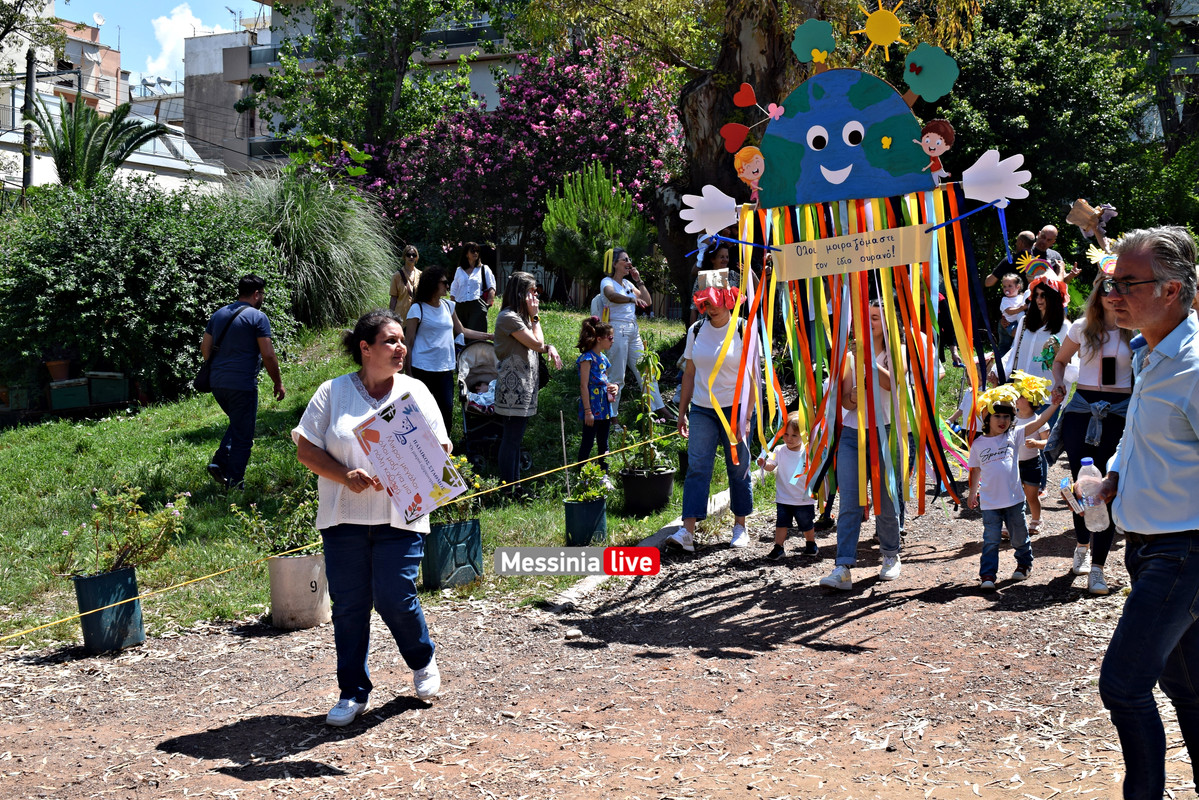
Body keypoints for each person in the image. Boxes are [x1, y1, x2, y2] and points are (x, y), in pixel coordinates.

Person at [291, 310, 449, 727]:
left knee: (395, 596)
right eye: (391, 341)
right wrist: (345, 475)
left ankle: (421, 659)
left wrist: (410, 464)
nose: (401, 348)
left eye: (402, 341)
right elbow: (306, 450)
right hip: (344, 519)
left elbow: (441, 448)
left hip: (401, 518)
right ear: (365, 348)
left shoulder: (415, 392)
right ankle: (352, 692)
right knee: (349, 607)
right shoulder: (332, 392)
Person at [1091, 226, 1199, 800]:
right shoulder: (1151, 354)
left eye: (1127, 283)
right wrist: (1115, 478)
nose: (1111, 294)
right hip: (1153, 548)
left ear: (1172, 291)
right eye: (1111, 281)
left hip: (1182, 553)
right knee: (1189, 691)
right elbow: (1152, 440)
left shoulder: (1195, 366)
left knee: (1124, 687)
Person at [1050, 276, 1133, 595]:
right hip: (1082, 410)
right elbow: (1059, 362)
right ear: (1097, 295)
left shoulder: (1137, 329)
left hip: (1119, 414)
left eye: (1121, 290)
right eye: (1107, 290)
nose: (1114, 296)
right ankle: (1082, 547)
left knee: (1109, 487)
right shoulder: (1081, 327)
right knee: (1082, 485)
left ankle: (1097, 568)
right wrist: (1058, 383)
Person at [819, 301, 903, 590]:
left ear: (887, 323)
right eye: (867, 318)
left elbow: (894, 385)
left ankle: (891, 556)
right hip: (853, 436)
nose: (871, 322)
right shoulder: (848, 355)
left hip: (884, 432)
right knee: (850, 504)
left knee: (885, 501)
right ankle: (843, 566)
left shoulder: (896, 352)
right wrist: (853, 397)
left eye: (877, 317)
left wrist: (869, 360)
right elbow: (844, 400)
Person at [666, 284, 757, 552]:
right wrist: (682, 413)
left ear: (729, 300)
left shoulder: (743, 328)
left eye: (716, 301)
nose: (711, 307)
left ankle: (740, 526)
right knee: (697, 468)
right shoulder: (696, 330)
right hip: (702, 409)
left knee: (738, 468)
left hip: (735, 409)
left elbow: (754, 378)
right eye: (706, 302)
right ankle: (688, 531)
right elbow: (690, 374)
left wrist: (747, 416)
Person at [966, 385, 1061, 590]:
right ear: (987, 418)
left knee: (1019, 535)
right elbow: (975, 470)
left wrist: (1054, 405)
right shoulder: (979, 444)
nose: (1003, 421)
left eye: (1007, 416)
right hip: (990, 503)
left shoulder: (1013, 435)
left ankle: (1024, 563)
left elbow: (1039, 421)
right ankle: (988, 575)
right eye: (997, 416)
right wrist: (973, 493)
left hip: (1015, 500)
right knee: (991, 540)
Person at [202, 274, 285, 491]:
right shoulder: (258, 317)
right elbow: (268, 354)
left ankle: (219, 462)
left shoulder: (219, 314)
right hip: (242, 385)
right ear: (257, 294)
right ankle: (234, 482)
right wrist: (277, 382)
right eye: (262, 294)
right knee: (244, 435)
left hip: (218, 383)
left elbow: (205, 349)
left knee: (239, 424)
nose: (262, 298)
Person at [494, 272, 561, 497]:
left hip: (525, 386)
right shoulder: (509, 317)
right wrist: (535, 317)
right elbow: (536, 342)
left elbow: (541, 346)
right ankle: (508, 489)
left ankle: (516, 487)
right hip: (513, 388)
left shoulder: (520, 318)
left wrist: (549, 347)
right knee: (511, 439)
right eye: (533, 292)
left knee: (516, 438)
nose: (536, 297)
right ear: (521, 293)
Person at [404, 266, 492, 432]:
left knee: (446, 411)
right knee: (421, 413)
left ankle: (445, 450)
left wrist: (489, 336)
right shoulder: (417, 309)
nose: (448, 286)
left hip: (445, 368)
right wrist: (408, 372)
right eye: (444, 282)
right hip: (422, 368)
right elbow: (408, 342)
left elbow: (463, 331)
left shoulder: (448, 306)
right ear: (432, 284)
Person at [602, 248, 667, 420]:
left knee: (647, 370)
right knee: (617, 376)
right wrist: (631, 299)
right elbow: (611, 295)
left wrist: (639, 281)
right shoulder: (607, 282)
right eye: (625, 259)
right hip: (617, 330)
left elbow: (647, 301)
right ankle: (612, 416)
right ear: (614, 264)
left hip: (633, 331)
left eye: (629, 259)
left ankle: (658, 408)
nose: (629, 262)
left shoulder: (629, 285)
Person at [757, 411, 819, 560]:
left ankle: (811, 543)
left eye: (794, 435)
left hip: (803, 499)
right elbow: (771, 465)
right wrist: (764, 464)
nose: (789, 439)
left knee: (806, 524)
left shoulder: (808, 452)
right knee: (781, 524)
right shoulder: (779, 450)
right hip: (783, 498)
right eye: (786, 434)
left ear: (803, 435)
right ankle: (778, 547)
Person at [1009, 372, 1051, 534]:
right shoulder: (1011, 418)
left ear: (1031, 400)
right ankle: (1012, 523)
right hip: (1013, 464)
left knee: (1032, 497)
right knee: (1014, 496)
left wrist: (1036, 444)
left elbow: (1047, 443)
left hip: (1032, 464)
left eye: (1021, 396)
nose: (1016, 399)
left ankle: (1036, 519)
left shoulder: (1039, 420)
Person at [576, 316, 618, 467]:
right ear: (599, 339)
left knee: (603, 443)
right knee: (587, 442)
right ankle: (581, 475)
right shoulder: (587, 358)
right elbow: (584, 385)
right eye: (610, 337)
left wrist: (614, 387)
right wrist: (588, 411)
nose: (612, 341)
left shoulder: (604, 359)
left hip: (605, 407)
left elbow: (605, 381)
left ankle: (604, 475)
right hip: (592, 408)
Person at [449, 242, 496, 334]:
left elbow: (492, 287)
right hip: (460, 306)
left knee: (477, 334)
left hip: (477, 305)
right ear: (466, 254)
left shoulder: (484, 269)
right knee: (460, 335)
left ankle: (476, 348)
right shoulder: (459, 270)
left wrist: (487, 304)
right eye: (473, 251)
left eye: (477, 251)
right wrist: (453, 304)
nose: (475, 253)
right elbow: (454, 288)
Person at [996, 273, 1026, 360]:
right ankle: (1001, 362)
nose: (1006, 289)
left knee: (1011, 344)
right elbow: (1009, 311)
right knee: (1004, 345)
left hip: (1016, 322)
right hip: (1008, 323)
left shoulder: (1021, 297)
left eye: (1010, 286)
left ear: (1018, 287)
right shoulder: (1005, 300)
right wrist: (1021, 308)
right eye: (1004, 286)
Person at [388, 245, 421, 319]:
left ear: (417, 257)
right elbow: (393, 298)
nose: (411, 257)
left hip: (417, 316)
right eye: (408, 255)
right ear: (404, 257)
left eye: (414, 255)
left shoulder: (421, 275)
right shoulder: (397, 276)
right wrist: (390, 317)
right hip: (401, 316)